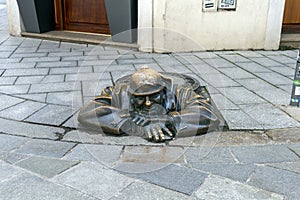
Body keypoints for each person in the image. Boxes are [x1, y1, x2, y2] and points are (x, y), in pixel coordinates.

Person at [78, 66, 221, 142]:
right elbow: (88, 112)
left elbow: (207, 113)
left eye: (154, 96)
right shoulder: (118, 92)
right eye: (140, 98)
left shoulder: (181, 92)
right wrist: (134, 122)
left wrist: (169, 120)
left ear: (163, 90)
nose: (147, 103)